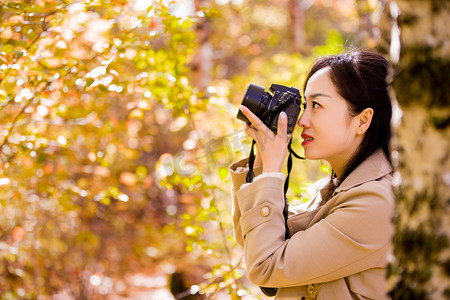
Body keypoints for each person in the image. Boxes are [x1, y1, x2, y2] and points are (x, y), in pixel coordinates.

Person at [230, 51, 394, 299]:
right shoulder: (328, 191)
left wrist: (273, 171)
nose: (302, 121)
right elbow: (255, 242)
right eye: (305, 106)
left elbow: (265, 266)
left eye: (316, 105)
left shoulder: (377, 202)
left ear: (362, 121)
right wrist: (263, 162)